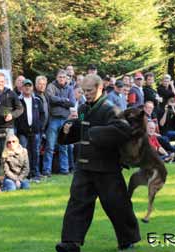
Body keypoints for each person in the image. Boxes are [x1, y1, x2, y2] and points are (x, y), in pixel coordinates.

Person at [55, 74, 140, 252]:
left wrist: (96, 133)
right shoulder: (85, 107)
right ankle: (71, 242)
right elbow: (83, 127)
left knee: (117, 204)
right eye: (84, 91)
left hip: (106, 166)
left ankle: (128, 240)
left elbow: (124, 129)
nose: (86, 94)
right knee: (77, 203)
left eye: (89, 90)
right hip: (84, 165)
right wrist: (68, 129)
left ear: (100, 88)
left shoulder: (111, 108)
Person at [42, 70, 75, 176]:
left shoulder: (69, 88)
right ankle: (46, 170)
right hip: (54, 119)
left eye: (63, 77)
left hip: (65, 120)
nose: (62, 79)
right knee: (50, 146)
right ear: (56, 77)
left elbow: (72, 102)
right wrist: (64, 100)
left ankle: (64, 169)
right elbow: (51, 99)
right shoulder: (51, 86)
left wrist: (59, 101)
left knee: (63, 146)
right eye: (60, 77)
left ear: (66, 78)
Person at [16, 79, 45, 181]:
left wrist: (40, 126)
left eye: (29, 86)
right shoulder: (18, 100)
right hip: (22, 132)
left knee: (36, 152)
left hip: (36, 131)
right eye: (25, 86)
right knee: (24, 153)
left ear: (32, 87)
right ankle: (25, 174)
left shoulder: (37, 100)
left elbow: (42, 114)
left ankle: (35, 173)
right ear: (22, 87)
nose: (27, 88)